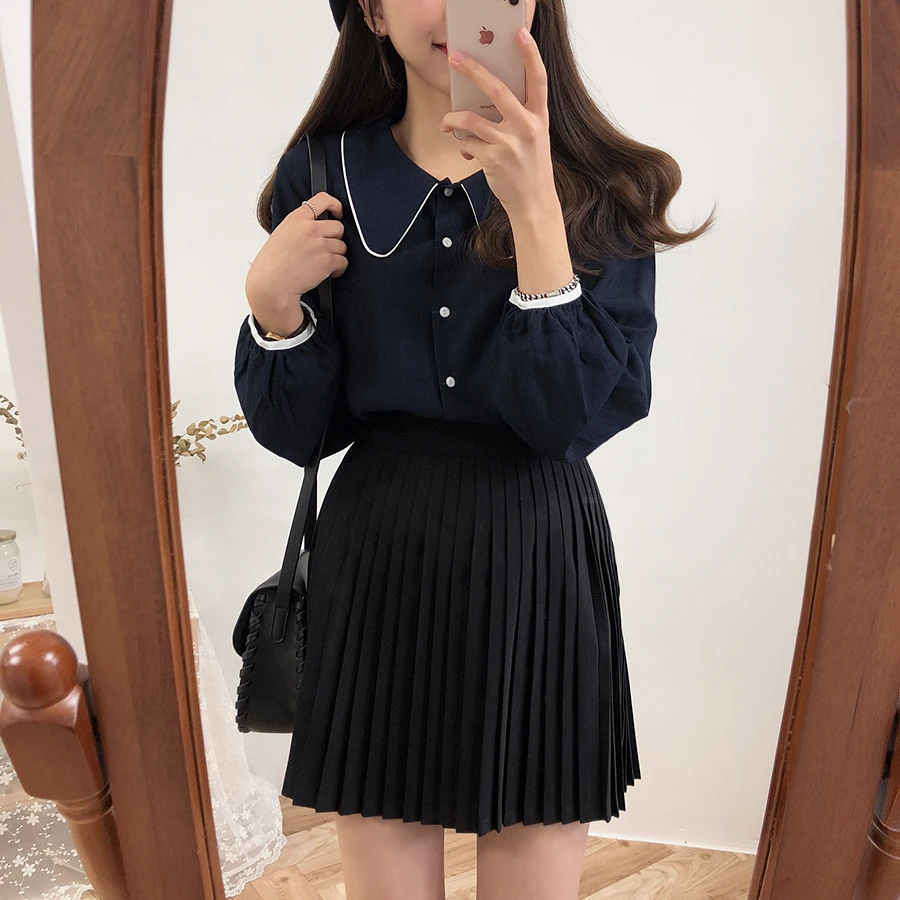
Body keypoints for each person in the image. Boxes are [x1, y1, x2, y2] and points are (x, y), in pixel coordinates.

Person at [234, 1, 713, 897]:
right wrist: (272, 305)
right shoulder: (323, 171)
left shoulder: (606, 182)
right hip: (378, 552)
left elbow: (568, 419)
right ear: (373, 11)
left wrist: (534, 209)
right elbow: (301, 434)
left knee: (536, 840)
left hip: (538, 549)